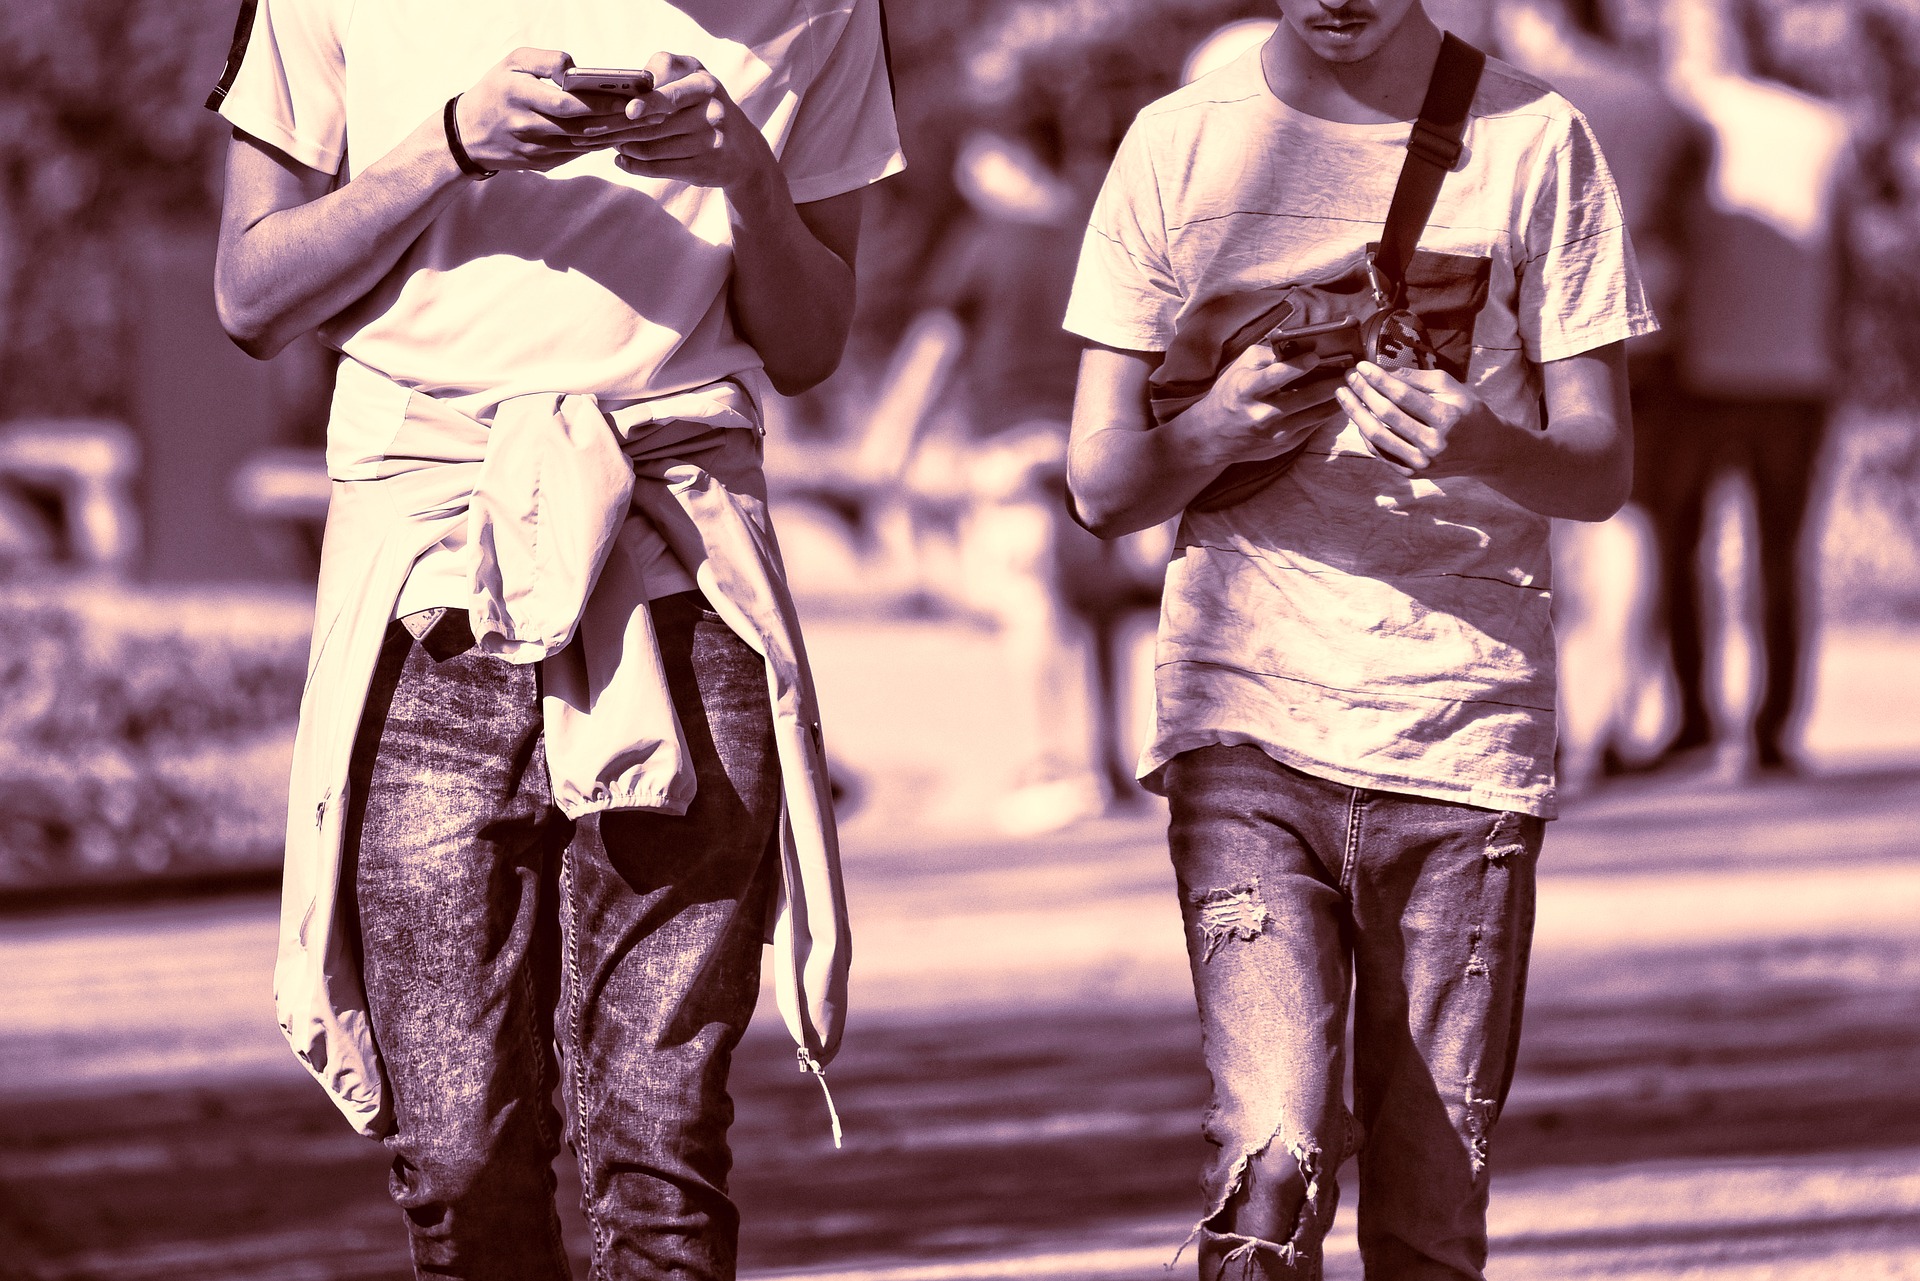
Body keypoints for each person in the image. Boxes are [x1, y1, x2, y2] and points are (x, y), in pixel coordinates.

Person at [207, 1, 901, 1276]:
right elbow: (251, 295)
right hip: (432, 584)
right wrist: (453, 143)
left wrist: (745, 170)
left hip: (682, 573)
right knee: (460, 1156)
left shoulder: (821, 10)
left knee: (663, 1142)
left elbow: (809, 348)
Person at [1063, 0, 1652, 1275]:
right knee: (1268, 1164)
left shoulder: (1538, 138)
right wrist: (1214, 431)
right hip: (1244, 729)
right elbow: (1101, 486)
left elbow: (1602, 468)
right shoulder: (1177, 145)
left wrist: (1488, 445)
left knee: (1432, 1221)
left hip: (1464, 738)